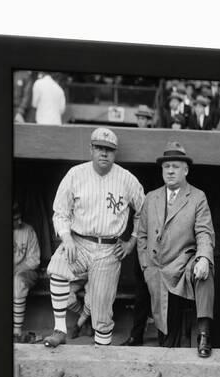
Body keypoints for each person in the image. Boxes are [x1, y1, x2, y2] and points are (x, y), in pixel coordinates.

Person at [43, 127, 145, 348]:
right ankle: (59, 329)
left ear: (115, 153)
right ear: (91, 149)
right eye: (99, 148)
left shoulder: (127, 179)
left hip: (108, 249)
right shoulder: (75, 174)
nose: (104, 153)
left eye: (109, 149)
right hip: (78, 243)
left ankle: (101, 356)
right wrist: (66, 237)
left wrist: (131, 242)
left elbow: (142, 212)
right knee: (58, 268)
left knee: (101, 313)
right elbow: (60, 212)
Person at [137, 141, 215, 358]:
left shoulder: (197, 196)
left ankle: (204, 334)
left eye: (175, 166)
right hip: (157, 270)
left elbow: (204, 233)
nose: (170, 171)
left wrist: (203, 258)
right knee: (166, 339)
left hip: (183, 265)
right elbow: (142, 234)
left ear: (186, 170)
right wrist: (146, 266)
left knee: (206, 271)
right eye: (166, 166)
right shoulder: (152, 197)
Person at [13, 204, 41, 343]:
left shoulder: (28, 230)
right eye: (15, 219)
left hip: (25, 272)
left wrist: (16, 270)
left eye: (20, 218)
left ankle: (16, 333)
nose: (19, 222)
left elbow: (35, 260)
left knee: (17, 282)